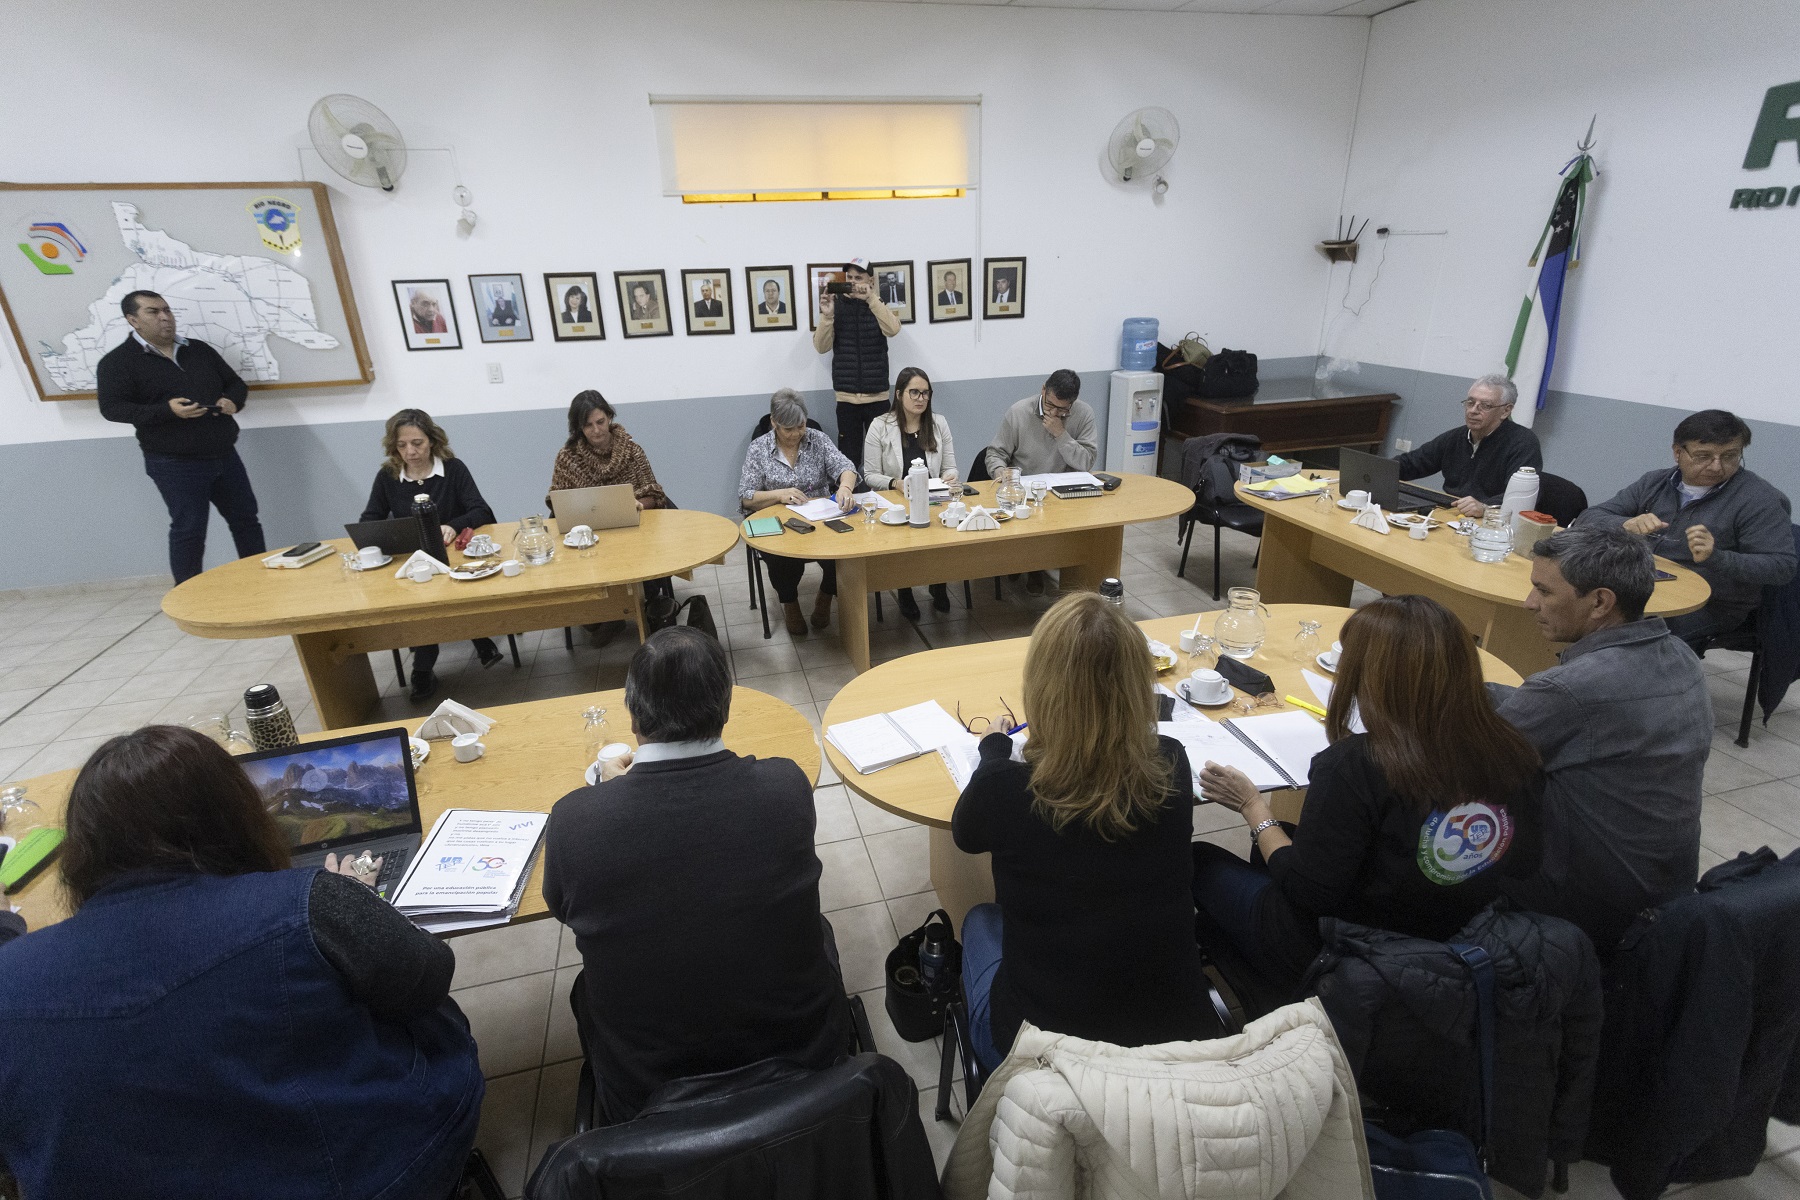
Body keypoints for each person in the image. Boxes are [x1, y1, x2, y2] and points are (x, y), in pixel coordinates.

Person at [0, 726, 482, 1198]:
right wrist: (361, 903)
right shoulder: (306, 900)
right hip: (369, 1176)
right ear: (237, 817)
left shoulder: (10, 976)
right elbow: (429, 975)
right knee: (428, 1010)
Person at [544, 627, 851, 1124]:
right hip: (803, 1067)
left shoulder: (577, 821)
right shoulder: (786, 787)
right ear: (726, 707)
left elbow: (563, 906)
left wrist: (612, 798)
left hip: (650, 1096)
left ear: (633, 715)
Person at [1191, 595, 1543, 1006]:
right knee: (1281, 840)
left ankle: (1252, 979)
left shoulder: (1356, 765)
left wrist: (1253, 807)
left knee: (1201, 859)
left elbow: (1309, 893)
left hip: (1350, 951)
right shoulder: (1515, 750)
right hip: (1455, 935)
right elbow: (1524, 862)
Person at [953, 592, 1222, 1072]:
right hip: (1174, 1042)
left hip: (1052, 1059)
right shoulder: (1171, 763)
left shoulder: (1005, 788)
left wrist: (994, 746)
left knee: (979, 919)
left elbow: (965, 833)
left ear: (1040, 688)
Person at [1493, 525, 1711, 956]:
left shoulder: (1569, 690)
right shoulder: (1681, 656)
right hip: (1666, 892)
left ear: (1599, 602)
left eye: (1544, 591)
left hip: (1592, 908)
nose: (1529, 603)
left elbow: (1467, 760)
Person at [1575, 409, 1795, 646]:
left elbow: (1782, 566)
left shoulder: (1760, 499)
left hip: (1712, 604)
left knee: (1622, 632)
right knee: (1570, 605)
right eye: (1703, 456)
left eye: (1730, 456)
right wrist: (1625, 524)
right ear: (1678, 452)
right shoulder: (1655, 482)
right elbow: (1589, 517)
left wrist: (1717, 557)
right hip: (1642, 584)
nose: (1716, 466)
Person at [96, 289, 267, 585]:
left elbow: (234, 383)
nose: (165, 317)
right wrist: (167, 411)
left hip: (224, 453)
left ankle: (261, 582)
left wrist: (232, 401)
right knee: (189, 529)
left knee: (246, 520)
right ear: (133, 320)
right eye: (154, 312)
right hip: (174, 461)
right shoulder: (117, 362)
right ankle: (188, 594)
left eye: (167, 310)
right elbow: (112, 409)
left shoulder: (198, 350)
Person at [361, 408, 504, 700]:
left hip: (456, 560)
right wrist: (397, 533)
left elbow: (482, 511)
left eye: (417, 443)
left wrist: (453, 525)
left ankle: (423, 669)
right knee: (422, 600)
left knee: (446, 592)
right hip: (414, 564)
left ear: (432, 441)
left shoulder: (453, 469)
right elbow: (368, 522)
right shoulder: (388, 477)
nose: (410, 452)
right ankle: (471, 644)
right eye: (402, 446)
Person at [548, 390, 673, 646]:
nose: (596, 430)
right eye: (588, 425)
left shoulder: (631, 450)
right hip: (588, 537)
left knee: (643, 563)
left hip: (632, 533)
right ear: (578, 428)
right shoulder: (568, 457)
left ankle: (628, 609)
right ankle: (607, 614)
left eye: (600, 422)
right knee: (589, 617)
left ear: (609, 417)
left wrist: (639, 504)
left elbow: (654, 493)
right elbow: (557, 501)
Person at [739, 390, 858, 635]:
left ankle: (825, 596)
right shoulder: (758, 449)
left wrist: (845, 486)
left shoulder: (818, 440)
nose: (796, 434)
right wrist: (779, 494)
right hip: (779, 521)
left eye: (800, 426)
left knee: (848, 552)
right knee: (782, 558)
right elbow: (746, 496)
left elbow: (846, 466)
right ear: (774, 423)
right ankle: (790, 603)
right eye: (788, 429)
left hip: (821, 517)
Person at [986, 369, 1100, 594]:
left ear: (1073, 403)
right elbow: (994, 453)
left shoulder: (1084, 413)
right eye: (1050, 405)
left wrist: (1061, 435)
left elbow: (1086, 461)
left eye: (1062, 409)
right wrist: (1001, 473)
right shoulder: (1019, 412)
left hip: (1063, 492)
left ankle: (1056, 571)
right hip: (1024, 490)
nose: (1054, 412)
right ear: (1043, 391)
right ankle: (1031, 567)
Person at [863, 367, 958, 618]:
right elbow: (869, 474)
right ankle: (905, 591)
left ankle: (939, 584)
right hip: (895, 501)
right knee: (904, 539)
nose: (920, 399)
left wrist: (949, 477)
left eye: (925, 393)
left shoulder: (939, 423)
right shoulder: (879, 426)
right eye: (914, 392)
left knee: (942, 532)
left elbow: (950, 467)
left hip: (934, 498)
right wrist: (895, 483)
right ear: (898, 395)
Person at [1394, 373, 1544, 516]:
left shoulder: (1523, 443)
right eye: (1470, 403)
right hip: (1451, 514)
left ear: (1506, 411)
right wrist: (1379, 469)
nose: (1473, 410)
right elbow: (1413, 463)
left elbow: (1521, 496)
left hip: (1492, 523)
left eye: (1485, 406)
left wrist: (1485, 507)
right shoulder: (1456, 437)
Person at [813, 256, 900, 470]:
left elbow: (893, 329)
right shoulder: (836, 305)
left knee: (881, 459)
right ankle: (848, 499)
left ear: (870, 281)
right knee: (848, 459)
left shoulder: (878, 305)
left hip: (877, 396)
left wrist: (870, 299)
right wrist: (827, 316)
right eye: (849, 277)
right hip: (846, 398)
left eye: (858, 277)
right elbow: (821, 346)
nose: (852, 281)